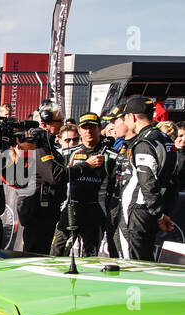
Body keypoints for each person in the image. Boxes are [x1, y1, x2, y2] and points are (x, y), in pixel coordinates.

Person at [114, 96, 177, 260]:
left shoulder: (144, 143)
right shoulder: (165, 139)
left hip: (137, 210)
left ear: (132, 117)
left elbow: (147, 183)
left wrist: (159, 214)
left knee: (132, 262)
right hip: (151, 210)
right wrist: (160, 212)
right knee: (145, 259)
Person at [49, 113, 112, 257]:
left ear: (99, 128)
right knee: (57, 251)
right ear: (79, 130)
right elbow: (58, 176)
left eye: (92, 127)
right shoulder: (68, 153)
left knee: (90, 255)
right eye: (85, 128)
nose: (88, 131)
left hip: (95, 210)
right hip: (71, 207)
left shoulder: (109, 155)